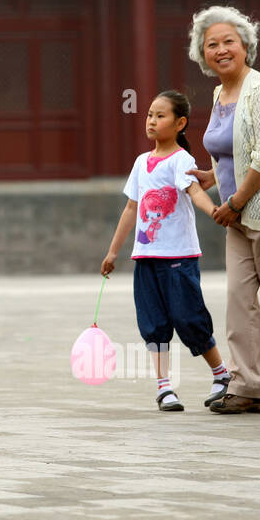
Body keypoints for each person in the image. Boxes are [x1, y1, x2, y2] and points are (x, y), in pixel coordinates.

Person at [184, 6, 260, 414]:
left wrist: (233, 202)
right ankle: (248, 386)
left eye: (228, 42)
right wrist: (212, 178)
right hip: (237, 217)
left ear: (245, 47)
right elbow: (233, 153)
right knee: (239, 301)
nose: (221, 50)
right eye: (212, 45)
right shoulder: (220, 93)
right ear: (203, 55)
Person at [102, 91, 231, 411]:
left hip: (179, 257)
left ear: (180, 123)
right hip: (146, 258)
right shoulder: (140, 163)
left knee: (190, 318)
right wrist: (113, 252)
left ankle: (221, 374)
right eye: (149, 115)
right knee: (153, 322)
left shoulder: (181, 161)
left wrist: (213, 210)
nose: (152, 121)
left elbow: (194, 191)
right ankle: (164, 387)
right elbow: (131, 209)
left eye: (160, 116)